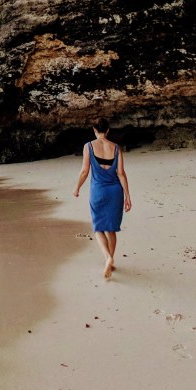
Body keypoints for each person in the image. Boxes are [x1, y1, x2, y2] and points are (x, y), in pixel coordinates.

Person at [73, 118, 131, 278]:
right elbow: (121, 173)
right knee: (111, 229)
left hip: (98, 192)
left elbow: (85, 171)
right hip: (115, 192)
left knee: (99, 228)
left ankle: (108, 258)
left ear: (94, 130)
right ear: (108, 131)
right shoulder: (116, 148)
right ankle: (111, 261)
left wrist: (77, 187)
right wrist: (127, 195)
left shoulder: (89, 146)